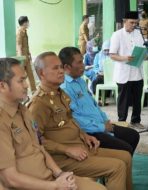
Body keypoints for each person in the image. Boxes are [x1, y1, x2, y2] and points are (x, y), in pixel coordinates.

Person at [28, 52, 132, 190]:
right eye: (55, 68)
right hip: (62, 157)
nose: (60, 71)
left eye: (60, 67)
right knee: (116, 167)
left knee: (125, 156)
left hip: (80, 146)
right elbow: (35, 142)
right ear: (42, 73)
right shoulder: (38, 104)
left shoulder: (60, 93)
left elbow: (70, 120)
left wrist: (84, 135)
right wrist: (67, 149)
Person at [0, 58, 106, 190]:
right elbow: (10, 179)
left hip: (49, 177)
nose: (27, 85)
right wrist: (55, 185)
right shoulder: (3, 121)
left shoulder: (23, 111)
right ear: (2, 86)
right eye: (21, 81)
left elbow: (40, 148)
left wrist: (60, 174)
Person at [59, 47, 140, 156]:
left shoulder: (80, 81)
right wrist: (102, 127)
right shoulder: (65, 88)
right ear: (66, 67)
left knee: (133, 135)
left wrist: (105, 120)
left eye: (82, 61)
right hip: (89, 131)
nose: (83, 65)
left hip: (100, 124)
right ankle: (118, 167)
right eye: (79, 62)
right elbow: (74, 119)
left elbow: (94, 104)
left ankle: (123, 167)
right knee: (125, 149)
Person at [109, 11, 145, 129]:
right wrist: (125, 58)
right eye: (131, 22)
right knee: (123, 99)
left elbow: (143, 49)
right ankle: (122, 121)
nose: (134, 25)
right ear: (125, 21)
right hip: (124, 72)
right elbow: (112, 55)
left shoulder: (138, 34)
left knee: (137, 98)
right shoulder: (117, 35)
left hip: (137, 72)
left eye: (135, 22)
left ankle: (135, 120)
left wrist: (144, 55)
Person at [16, 16, 36, 92]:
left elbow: (25, 45)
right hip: (22, 58)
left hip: (26, 56)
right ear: (24, 23)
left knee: (30, 74)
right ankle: (22, 90)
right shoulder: (19, 32)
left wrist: (29, 53)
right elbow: (19, 45)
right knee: (22, 75)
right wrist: (21, 59)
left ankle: (34, 90)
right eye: (27, 22)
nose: (28, 23)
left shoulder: (24, 31)